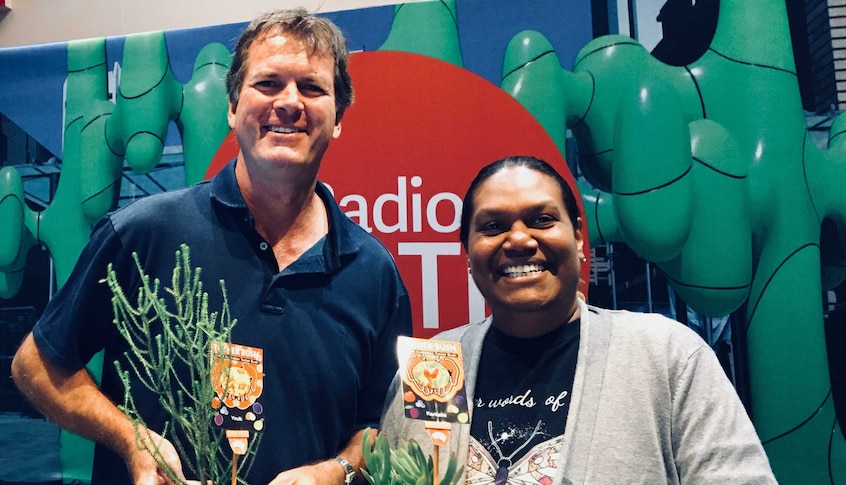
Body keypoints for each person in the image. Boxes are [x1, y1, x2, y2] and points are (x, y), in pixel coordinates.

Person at [12, 8, 412, 485]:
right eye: (267, 83)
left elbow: (381, 422)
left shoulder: (372, 270)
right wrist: (133, 440)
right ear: (231, 107)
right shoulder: (142, 232)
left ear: (339, 117)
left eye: (312, 87)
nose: (289, 102)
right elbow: (36, 365)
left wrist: (339, 469)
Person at [380, 156, 776, 484]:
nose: (518, 240)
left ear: (579, 239)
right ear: (467, 251)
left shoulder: (665, 355)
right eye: (493, 226)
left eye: (541, 220)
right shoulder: (431, 367)